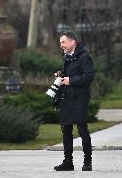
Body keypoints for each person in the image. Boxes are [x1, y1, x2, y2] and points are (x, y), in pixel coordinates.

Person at [53, 30, 94, 171]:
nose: (61, 45)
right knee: (66, 130)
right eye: (60, 43)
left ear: (73, 42)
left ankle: (87, 162)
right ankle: (68, 162)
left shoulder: (84, 57)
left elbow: (88, 77)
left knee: (82, 130)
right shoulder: (67, 56)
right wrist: (61, 74)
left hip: (80, 99)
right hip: (67, 98)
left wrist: (70, 80)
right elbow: (70, 72)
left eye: (63, 42)